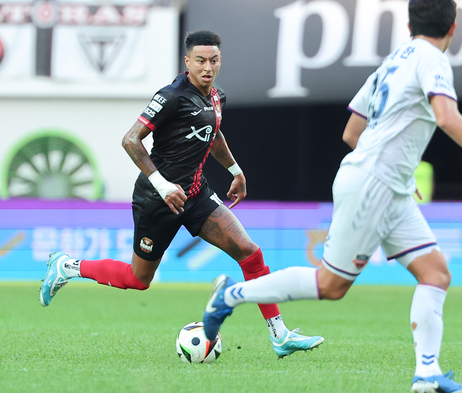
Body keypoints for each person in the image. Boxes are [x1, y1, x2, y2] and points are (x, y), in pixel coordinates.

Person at [202, 1, 462, 392]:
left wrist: (395, 170)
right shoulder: (433, 60)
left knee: (435, 273)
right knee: (331, 285)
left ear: (408, 24)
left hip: (389, 185)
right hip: (374, 183)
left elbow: (352, 132)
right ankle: (231, 295)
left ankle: (427, 376)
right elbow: (446, 116)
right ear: (452, 28)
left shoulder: (391, 63)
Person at [39, 30, 324, 358]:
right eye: (200, 60)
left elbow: (213, 134)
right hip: (156, 199)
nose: (207, 67)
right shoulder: (172, 96)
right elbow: (131, 140)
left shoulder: (217, 96)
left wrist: (235, 170)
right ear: (186, 62)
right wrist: (162, 184)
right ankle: (69, 266)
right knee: (138, 278)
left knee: (250, 253)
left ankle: (280, 335)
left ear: (220, 62)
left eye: (213, 60)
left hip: (196, 194)